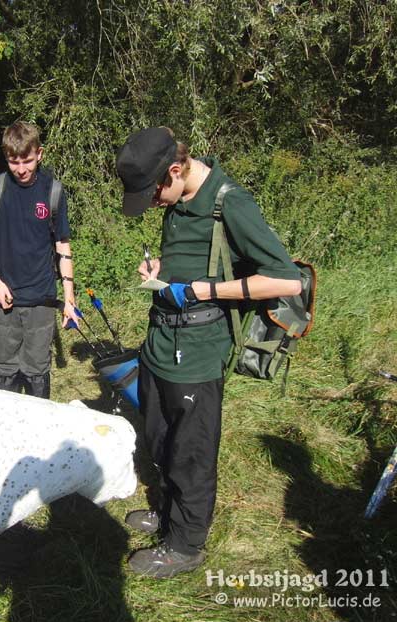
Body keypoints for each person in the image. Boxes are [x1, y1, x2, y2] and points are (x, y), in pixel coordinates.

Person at [116, 127, 302, 578]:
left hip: (198, 351)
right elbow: (189, 255)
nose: (154, 204)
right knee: (160, 438)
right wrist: (160, 267)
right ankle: (167, 511)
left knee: (191, 451)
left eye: (153, 194)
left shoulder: (230, 203)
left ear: (175, 171)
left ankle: (185, 544)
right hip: (160, 342)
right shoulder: (178, 200)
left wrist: (207, 290)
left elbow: (287, 280)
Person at [0, 121, 78, 398]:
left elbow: (62, 243)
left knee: (37, 368)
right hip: (4, 296)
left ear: (39, 154)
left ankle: (39, 431)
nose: (21, 169)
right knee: (5, 368)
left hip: (41, 297)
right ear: (6, 158)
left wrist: (69, 299)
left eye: (27, 161)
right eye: (13, 161)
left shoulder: (53, 191)